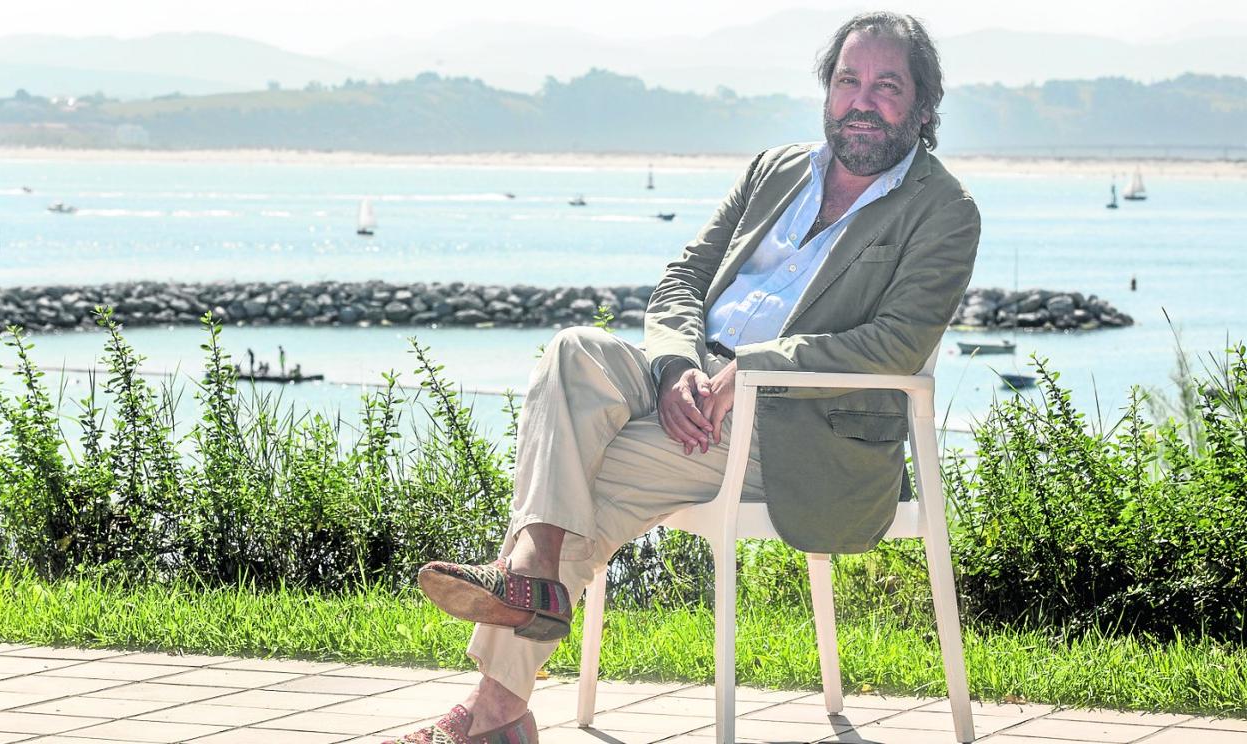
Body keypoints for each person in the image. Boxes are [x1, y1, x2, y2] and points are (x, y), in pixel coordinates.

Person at [385, 11, 981, 744]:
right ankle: (531, 584)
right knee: (574, 352)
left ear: (922, 106)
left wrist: (745, 374)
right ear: (827, 92)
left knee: (585, 478)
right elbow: (682, 282)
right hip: (694, 388)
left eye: (886, 86)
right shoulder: (777, 170)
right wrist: (676, 369)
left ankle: (496, 704)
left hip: (796, 429)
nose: (861, 100)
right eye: (847, 80)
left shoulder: (945, 210)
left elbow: (894, 344)